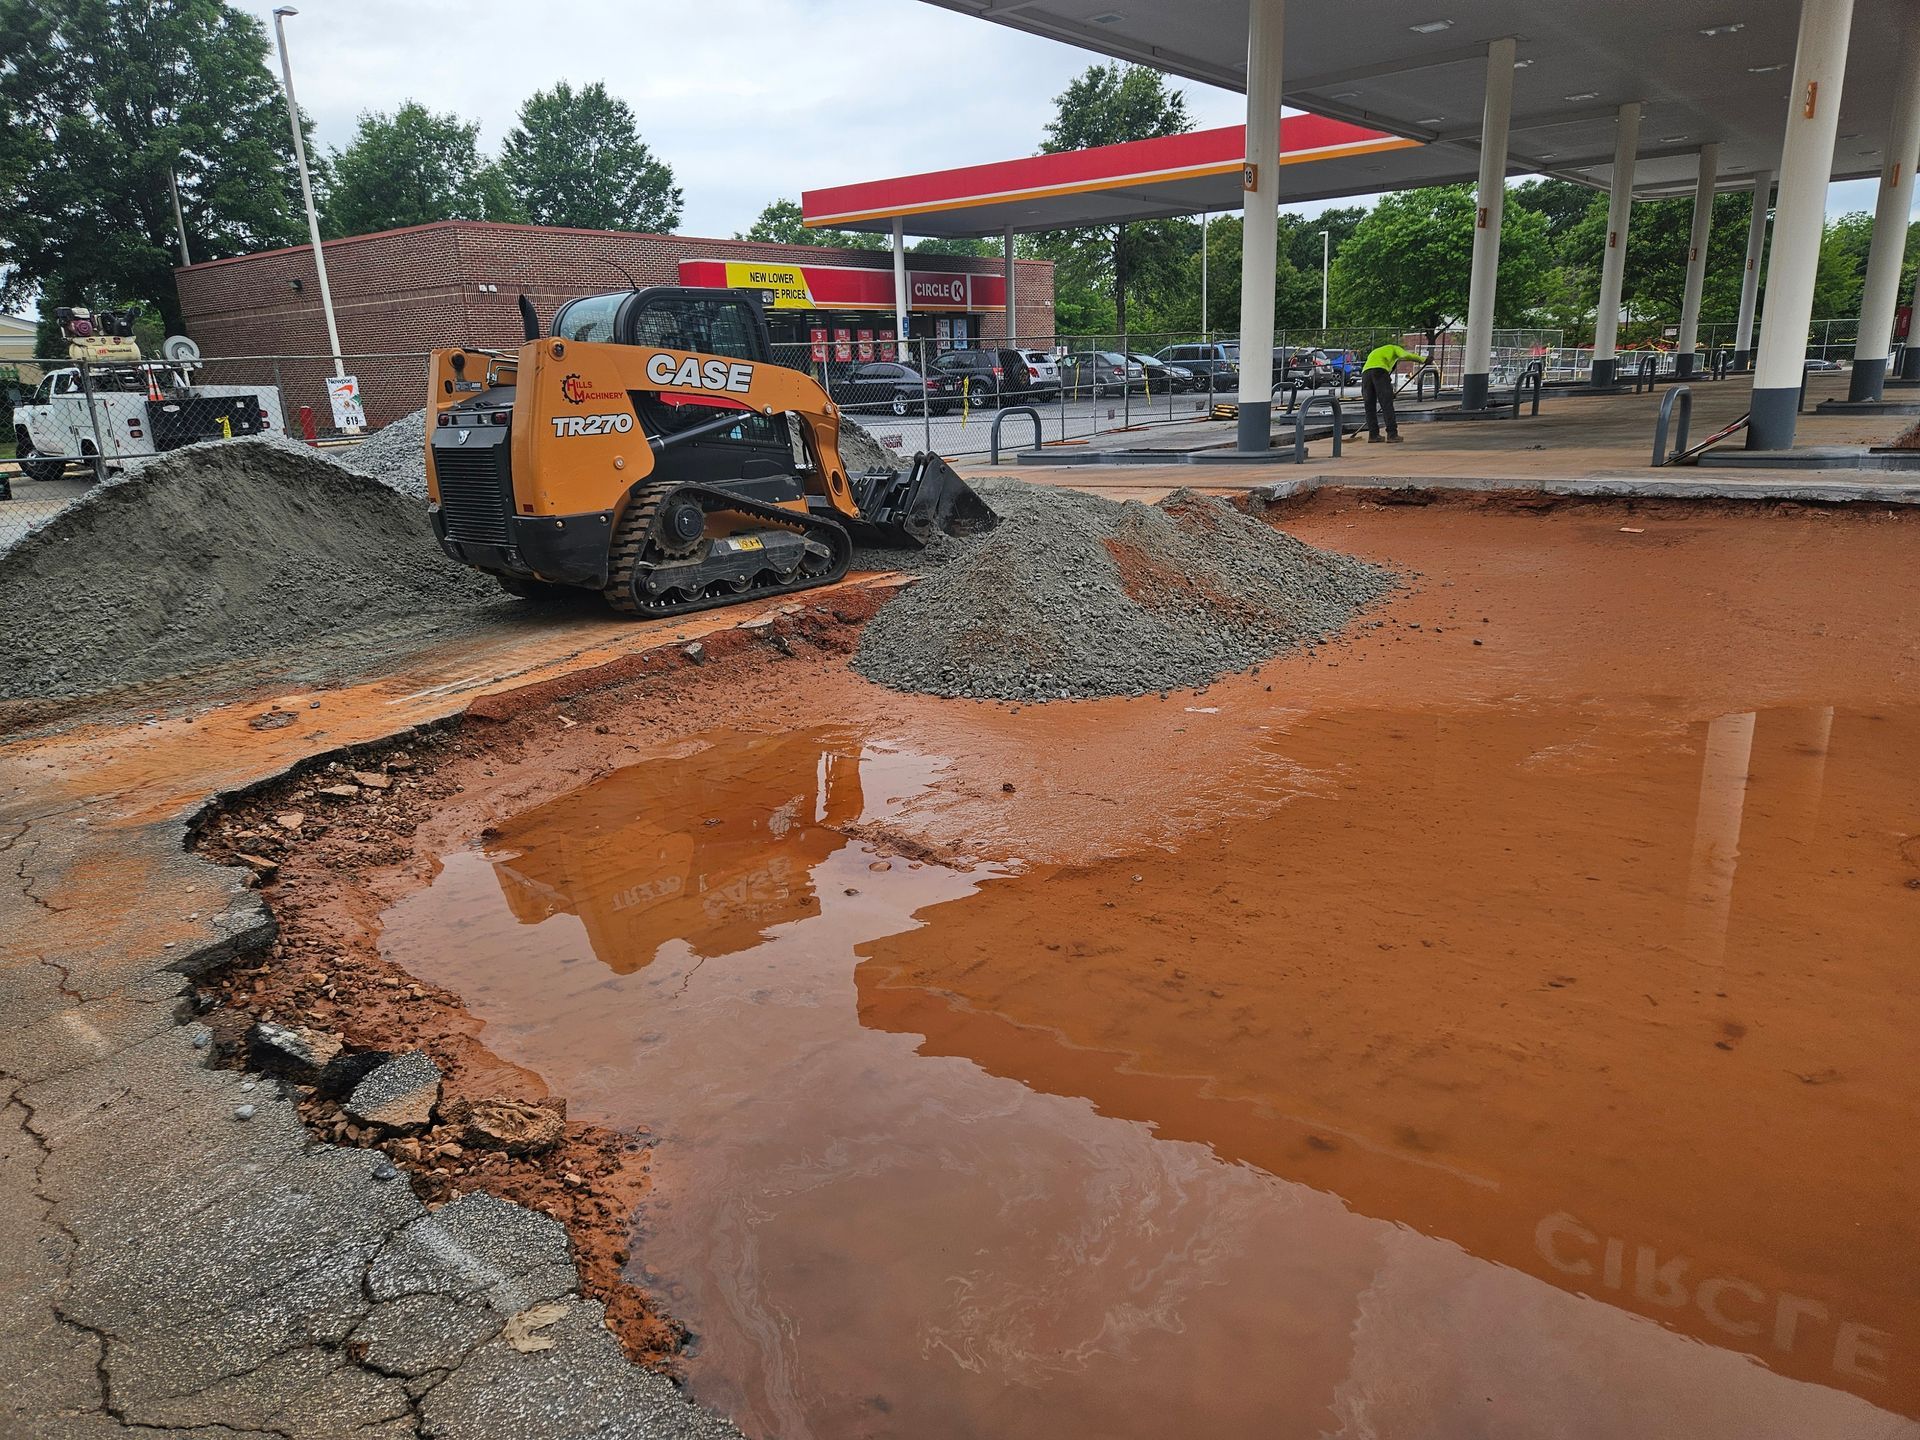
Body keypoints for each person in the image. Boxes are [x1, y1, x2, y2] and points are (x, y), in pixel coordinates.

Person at [1360, 341, 1432, 443]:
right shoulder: (1394, 348)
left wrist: (1388, 391)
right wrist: (1423, 360)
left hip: (1366, 374)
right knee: (1387, 405)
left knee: (1369, 406)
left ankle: (1373, 435)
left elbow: (1378, 371)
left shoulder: (1376, 352)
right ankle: (1392, 434)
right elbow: (1406, 355)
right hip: (1380, 372)